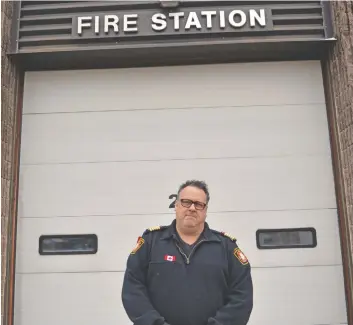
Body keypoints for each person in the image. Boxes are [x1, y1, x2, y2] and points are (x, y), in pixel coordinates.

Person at [121, 180, 253, 325]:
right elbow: (133, 289)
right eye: (186, 202)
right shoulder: (151, 243)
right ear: (176, 205)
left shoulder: (227, 248)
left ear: (205, 210)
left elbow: (242, 297)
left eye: (198, 204)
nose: (191, 208)